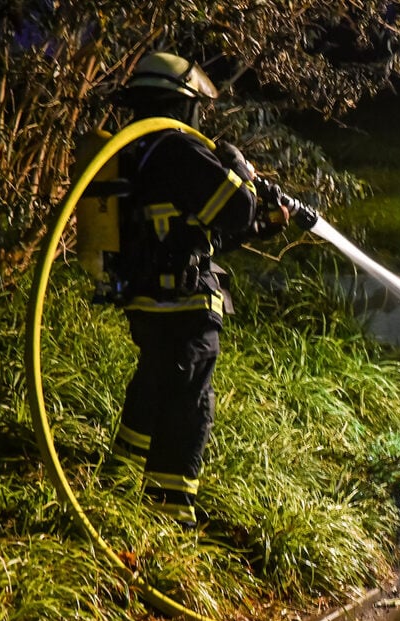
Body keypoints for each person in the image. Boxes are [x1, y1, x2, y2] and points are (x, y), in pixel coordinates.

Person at [107, 51, 288, 526]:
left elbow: (192, 229)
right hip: (182, 303)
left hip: (150, 297)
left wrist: (261, 224)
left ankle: (119, 485)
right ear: (180, 103)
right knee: (189, 406)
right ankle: (170, 515)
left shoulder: (134, 151)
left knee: (154, 382)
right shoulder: (177, 150)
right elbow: (234, 208)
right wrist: (243, 174)